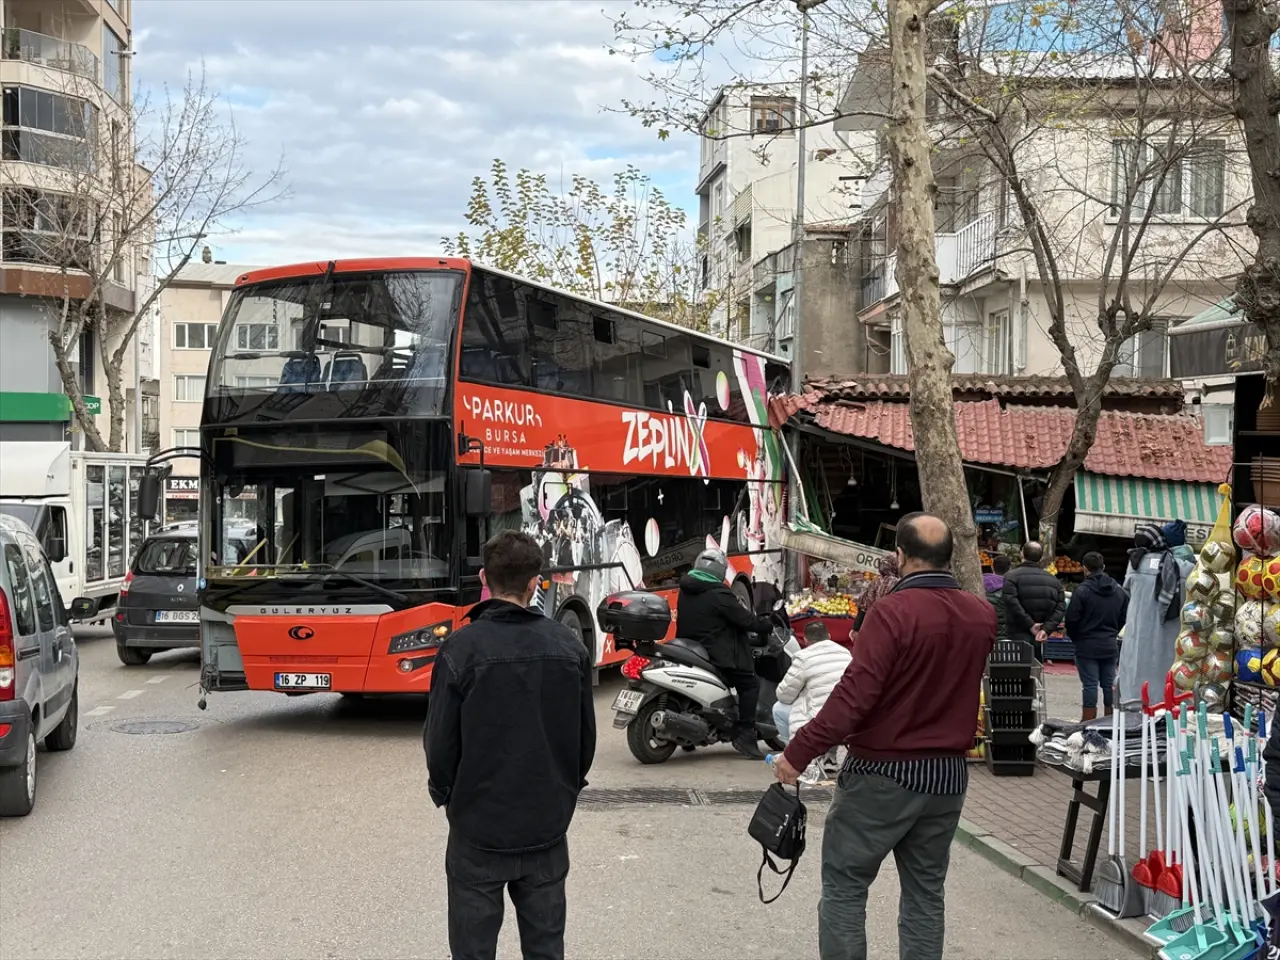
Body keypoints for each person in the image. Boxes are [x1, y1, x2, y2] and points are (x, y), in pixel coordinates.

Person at [773, 513, 997, 960]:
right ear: (948, 556)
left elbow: (852, 698)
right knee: (925, 894)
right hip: (947, 778)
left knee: (845, 886)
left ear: (899, 556)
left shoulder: (890, 612)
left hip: (882, 773)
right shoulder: (981, 614)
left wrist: (796, 754)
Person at [424, 530, 596, 960]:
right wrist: (564, 793)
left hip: (478, 829)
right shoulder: (569, 647)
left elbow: (440, 743)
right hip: (546, 827)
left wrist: (447, 796)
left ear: (485, 578)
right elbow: (584, 743)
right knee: (545, 949)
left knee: (473, 950)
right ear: (536, 582)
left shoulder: (459, 649)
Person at [676, 547, 774, 759]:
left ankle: (690, 734)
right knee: (749, 684)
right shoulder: (719, 593)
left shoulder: (686, 588)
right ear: (720, 571)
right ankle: (745, 733)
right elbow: (746, 620)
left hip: (690, 646)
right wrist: (765, 624)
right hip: (717, 652)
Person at [772, 621, 852, 781]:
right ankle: (830, 757)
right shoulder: (846, 654)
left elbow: (784, 695)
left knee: (778, 708)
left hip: (819, 723)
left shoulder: (803, 657)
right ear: (829, 637)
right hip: (848, 721)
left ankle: (795, 755)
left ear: (806, 641)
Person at [1064, 551, 1128, 722]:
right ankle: (1111, 721)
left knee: (1090, 685)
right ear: (1103, 567)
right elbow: (1124, 616)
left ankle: (1088, 721)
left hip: (1086, 645)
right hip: (1109, 644)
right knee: (1109, 685)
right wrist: (1113, 631)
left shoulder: (1082, 591)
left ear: (1085, 569)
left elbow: (1071, 619)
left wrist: (1076, 637)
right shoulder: (1118, 591)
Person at [1002, 542, 1065, 663]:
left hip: (1016, 633)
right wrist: (1046, 629)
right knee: (1034, 671)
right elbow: (1061, 607)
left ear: (1022, 554)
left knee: (1015, 671)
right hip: (1039, 635)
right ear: (1040, 558)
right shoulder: (1053, 580)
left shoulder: (1011, 576)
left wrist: (1030, 624)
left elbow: (1011, 602)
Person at [850, 553, 900, 637]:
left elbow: (863, 606)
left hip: (869, 624)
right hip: (886, 630)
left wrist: (855, 628)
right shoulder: (899, 583)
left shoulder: (876, 581)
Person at [985, 556, 1011, 641]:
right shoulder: (1011, 589)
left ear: (992, 567)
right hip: (1005, 636)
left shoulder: (979, 585)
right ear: (1010, 569)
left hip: (985, 635)